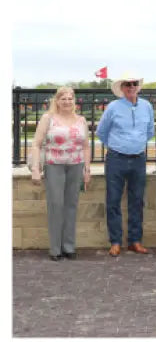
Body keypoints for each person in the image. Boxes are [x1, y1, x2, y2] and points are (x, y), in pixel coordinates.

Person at [29, 86, 91, 261]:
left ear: (74, 101)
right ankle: (55, 249)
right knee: (56, 206)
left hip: (76, 165)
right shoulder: (48, 118)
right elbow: (36, 144)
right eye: (63, 98)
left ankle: (69, 246)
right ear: (56, 101)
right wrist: (35, 169)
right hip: (53, 165)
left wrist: (87, 170)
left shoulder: (81, 120)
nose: (67, 101)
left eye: (70, 98)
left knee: (71, 206)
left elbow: (86, 146)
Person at [96, 72, 154, 256]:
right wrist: (118, 146)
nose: (131, 87)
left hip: (138, 159)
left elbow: (149, 131)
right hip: (116, 159)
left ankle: (134, 241)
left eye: (134, 83)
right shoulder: (113, 107)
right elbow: (102, 132)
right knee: (113, 200)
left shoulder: (147, 106)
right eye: (127, 84)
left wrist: (134, 144)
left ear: (138, 86)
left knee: (137, 201)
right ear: (122, 88)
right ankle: (115, 241)